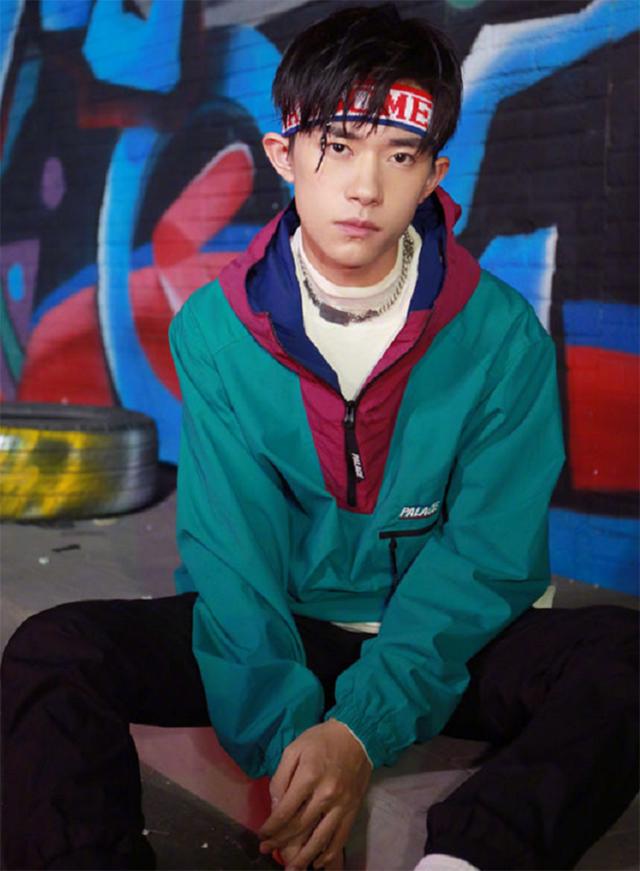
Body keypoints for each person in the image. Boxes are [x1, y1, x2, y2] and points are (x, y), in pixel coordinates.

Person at [2, 4, 638, 870]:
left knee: (625, 658)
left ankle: (463, 862)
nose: (365, 187)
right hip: (291, 623)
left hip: (443, 640)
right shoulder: (217, 332)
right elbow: (233, 556)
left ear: (433, 175)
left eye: (399, 155)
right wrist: (292, 747)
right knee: (52, 653)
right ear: (284, 155)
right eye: (338, 145)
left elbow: (487, 559)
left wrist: (360, 729)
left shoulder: (500, 337)